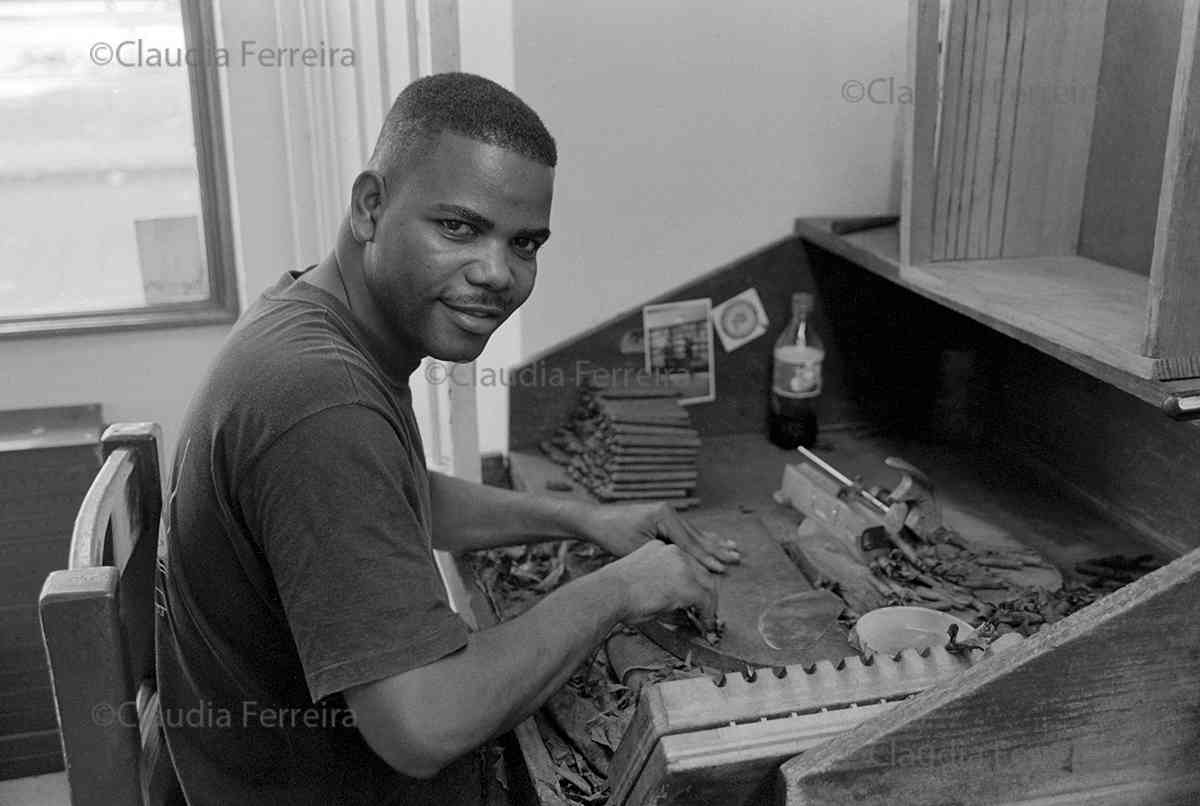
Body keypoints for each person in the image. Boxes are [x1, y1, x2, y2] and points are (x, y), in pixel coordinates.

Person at [155, 72, 740, 805]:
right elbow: (423, 727)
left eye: (524, 242)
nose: (497, 273)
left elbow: (389, 499)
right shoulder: (319, 401)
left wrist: (581, 517)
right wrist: (619, 592)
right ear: (372, 207)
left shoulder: (310, 317)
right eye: (458, 227)